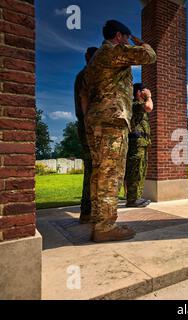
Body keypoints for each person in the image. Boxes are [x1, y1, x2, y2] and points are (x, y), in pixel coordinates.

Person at [84, 20, 157, 243]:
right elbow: (149, 55)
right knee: (111, 173)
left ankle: (99, 221)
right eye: (126, 37)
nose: (127, 41)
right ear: (119, 36)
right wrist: (140, 41)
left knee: (99, 173)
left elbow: (85, 94)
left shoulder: (95, 60)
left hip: (96, 120)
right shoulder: (113, 51)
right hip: (112, 121)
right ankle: (106, 227)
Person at [74, 47, 98, 224]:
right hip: (89, 127)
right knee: (93, 169)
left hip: (86, 125)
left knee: (93, 168)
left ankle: (88, 210)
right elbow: (86, 103)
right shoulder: (88, 75)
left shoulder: (83, 75)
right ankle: (88, 210)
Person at [125, 83, 153, 207]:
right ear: (138, 92)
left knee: (140, 170)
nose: (146, 92)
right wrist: (148, 97)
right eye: (143, 90)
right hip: (136, 143)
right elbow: (149, 107)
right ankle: (132, 200)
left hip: (142, 143)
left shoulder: (138, 105)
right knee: (135, 171)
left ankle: (136, 197)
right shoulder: (135, 104)